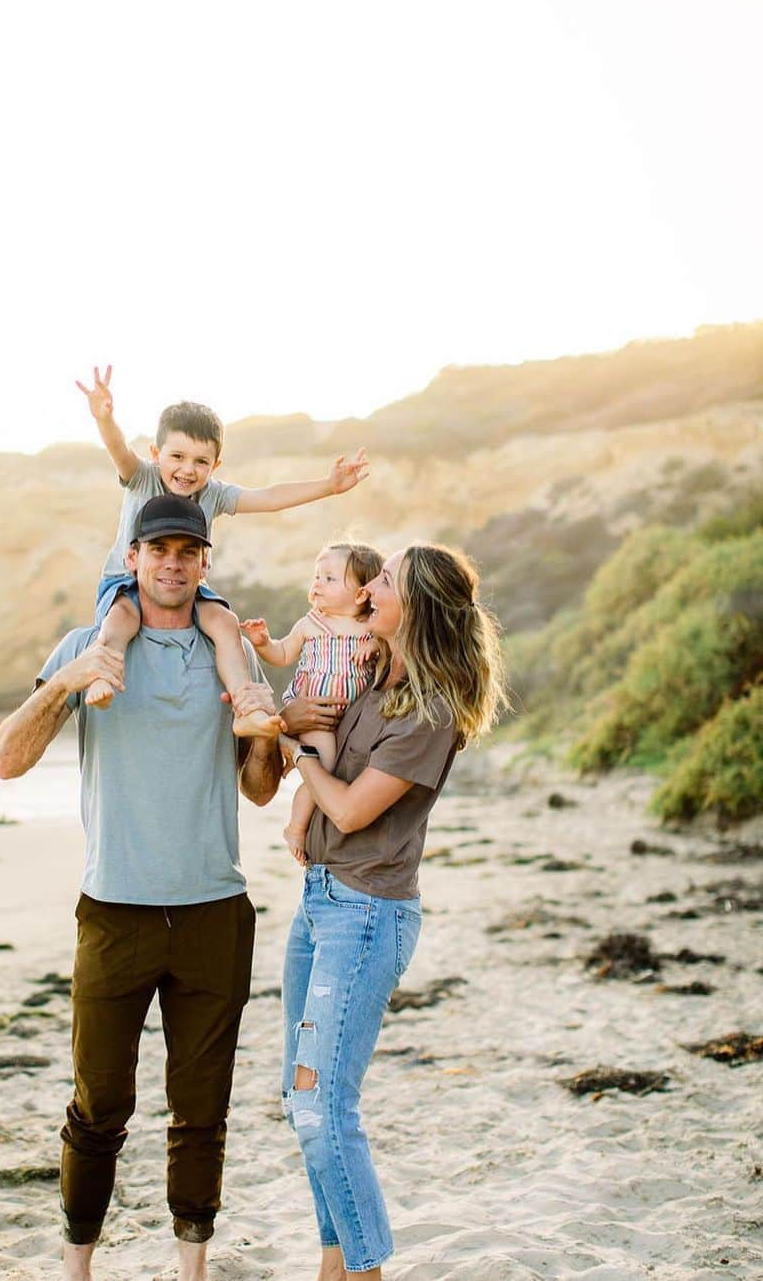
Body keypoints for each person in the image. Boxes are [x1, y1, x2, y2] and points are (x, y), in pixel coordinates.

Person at [0, 494, 284, 1281]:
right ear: (133, 559)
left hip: (214, 912)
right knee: (97, 1110)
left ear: (204, 565)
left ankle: (191, 1271)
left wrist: (265, 744)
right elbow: (7, 760)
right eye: (159, 551)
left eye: (188, 552)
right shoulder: (91, 644)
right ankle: (77, 1269)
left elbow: (259, 788)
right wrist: (66, 682)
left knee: (201, 1113)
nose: (172, 564)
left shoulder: (229, 652)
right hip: (114, 912)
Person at [274, 542, 508, 1279]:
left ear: (416, 607)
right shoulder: (374, 677)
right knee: (302, 1104)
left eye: (384, 582)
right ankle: (332, 1269)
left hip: (366, 915)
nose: (369, 588)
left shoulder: (431, 712)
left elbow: (345, 810)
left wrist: (296, 745)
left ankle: (367, 1273)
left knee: (324, 1110)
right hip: (318, 905)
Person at [75, 365, 370, 735]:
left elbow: (269, 498)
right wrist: (106, 418)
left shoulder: (213, 493)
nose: (187, 469)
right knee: (122, 618)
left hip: (185, 585)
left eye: (201, 461)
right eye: (177, 457)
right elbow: (119, 450)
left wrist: (328, 486)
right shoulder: (143, 476)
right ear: (156, 453)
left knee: (225, 624)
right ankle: (103, 673)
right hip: (125, 581)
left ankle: (245, 705)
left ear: (215, 465)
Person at [239, 541, 384, 864]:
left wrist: (374, 643)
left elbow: (392, 639)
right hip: (315, 716)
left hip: (346, 719)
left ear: (361, 594)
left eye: (330, 579)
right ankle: (296, 826)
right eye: (317, 576)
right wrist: (263, 643)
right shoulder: (311, 624)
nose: (317, 583)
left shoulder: (371, 627)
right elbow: (282, 654)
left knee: (335, 771)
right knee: (324, 769)